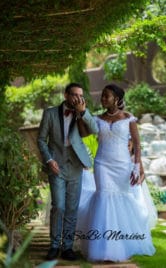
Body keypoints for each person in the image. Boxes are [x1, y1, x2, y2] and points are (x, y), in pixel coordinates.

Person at [76, 84, 155, 262]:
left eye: (107, 96)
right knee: (103, 197)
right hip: (102, 164)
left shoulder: (129, 119)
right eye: (102, 96)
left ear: (117, 99)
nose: (103, 99)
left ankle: (123, 243)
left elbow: (137, 144)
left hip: (122, 166)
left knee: (121, 199)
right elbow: (82, 133)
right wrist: (81, 114)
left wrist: (136, 167)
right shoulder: (97, 119)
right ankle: (104, 248)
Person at [37, 82, 98, 261]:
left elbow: (94, 129)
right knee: (59, 206)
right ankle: (54, 246)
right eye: (74, 95)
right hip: (56, 166)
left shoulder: (82, 112)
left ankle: (68, 247)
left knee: (72, 208)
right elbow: (41, 140)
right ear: (66, 95)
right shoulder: (49, 114)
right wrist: (49, 160)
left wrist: (83, 112)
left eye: (81, 95)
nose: (78, 98)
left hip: (76, 166)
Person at [128, 139, 158, 229]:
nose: (127, 148)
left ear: (133, 145)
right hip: (125, 186)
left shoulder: (135, 158)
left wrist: (139, 183)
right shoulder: (120, 158)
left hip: (134, 186)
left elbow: (143, 174)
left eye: (128, 146)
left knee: (137, 207)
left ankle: (137, 225)